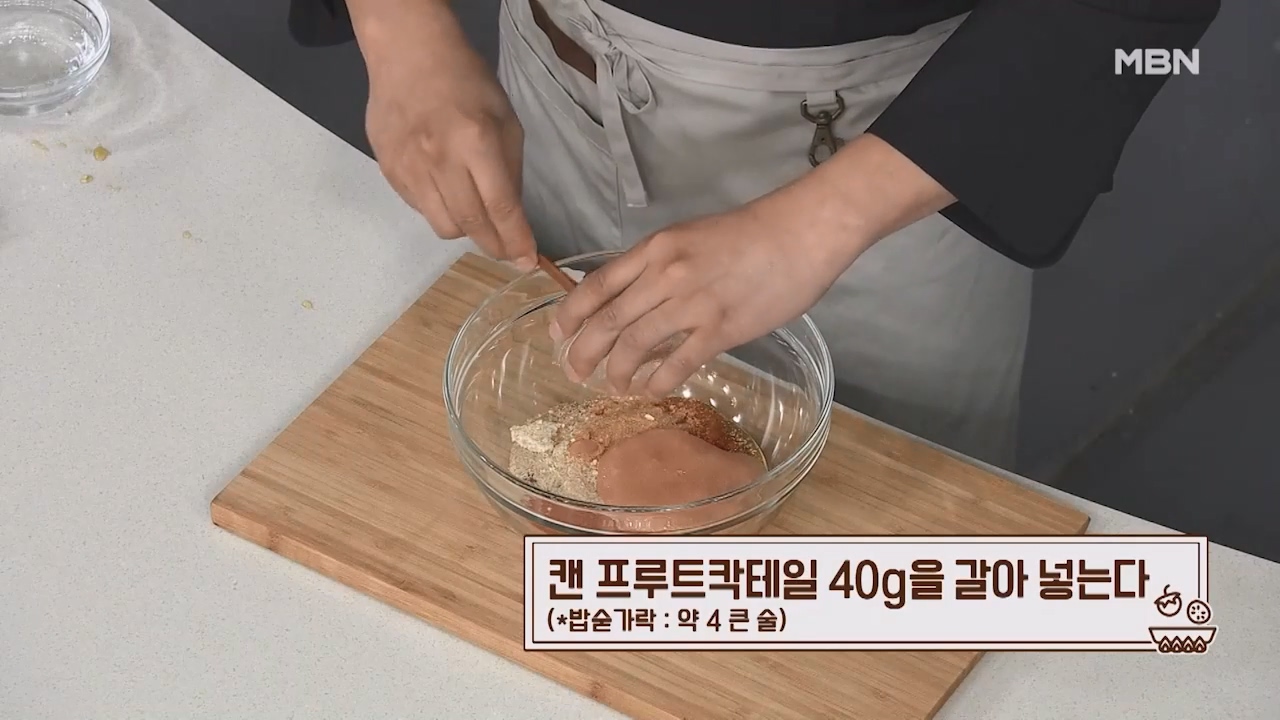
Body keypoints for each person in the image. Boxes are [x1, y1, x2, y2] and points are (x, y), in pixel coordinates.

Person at [288, 0, 1219, 468]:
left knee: (871, 539)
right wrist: (400, 30)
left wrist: (826, 219)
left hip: (899, 150)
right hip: (554, 76)